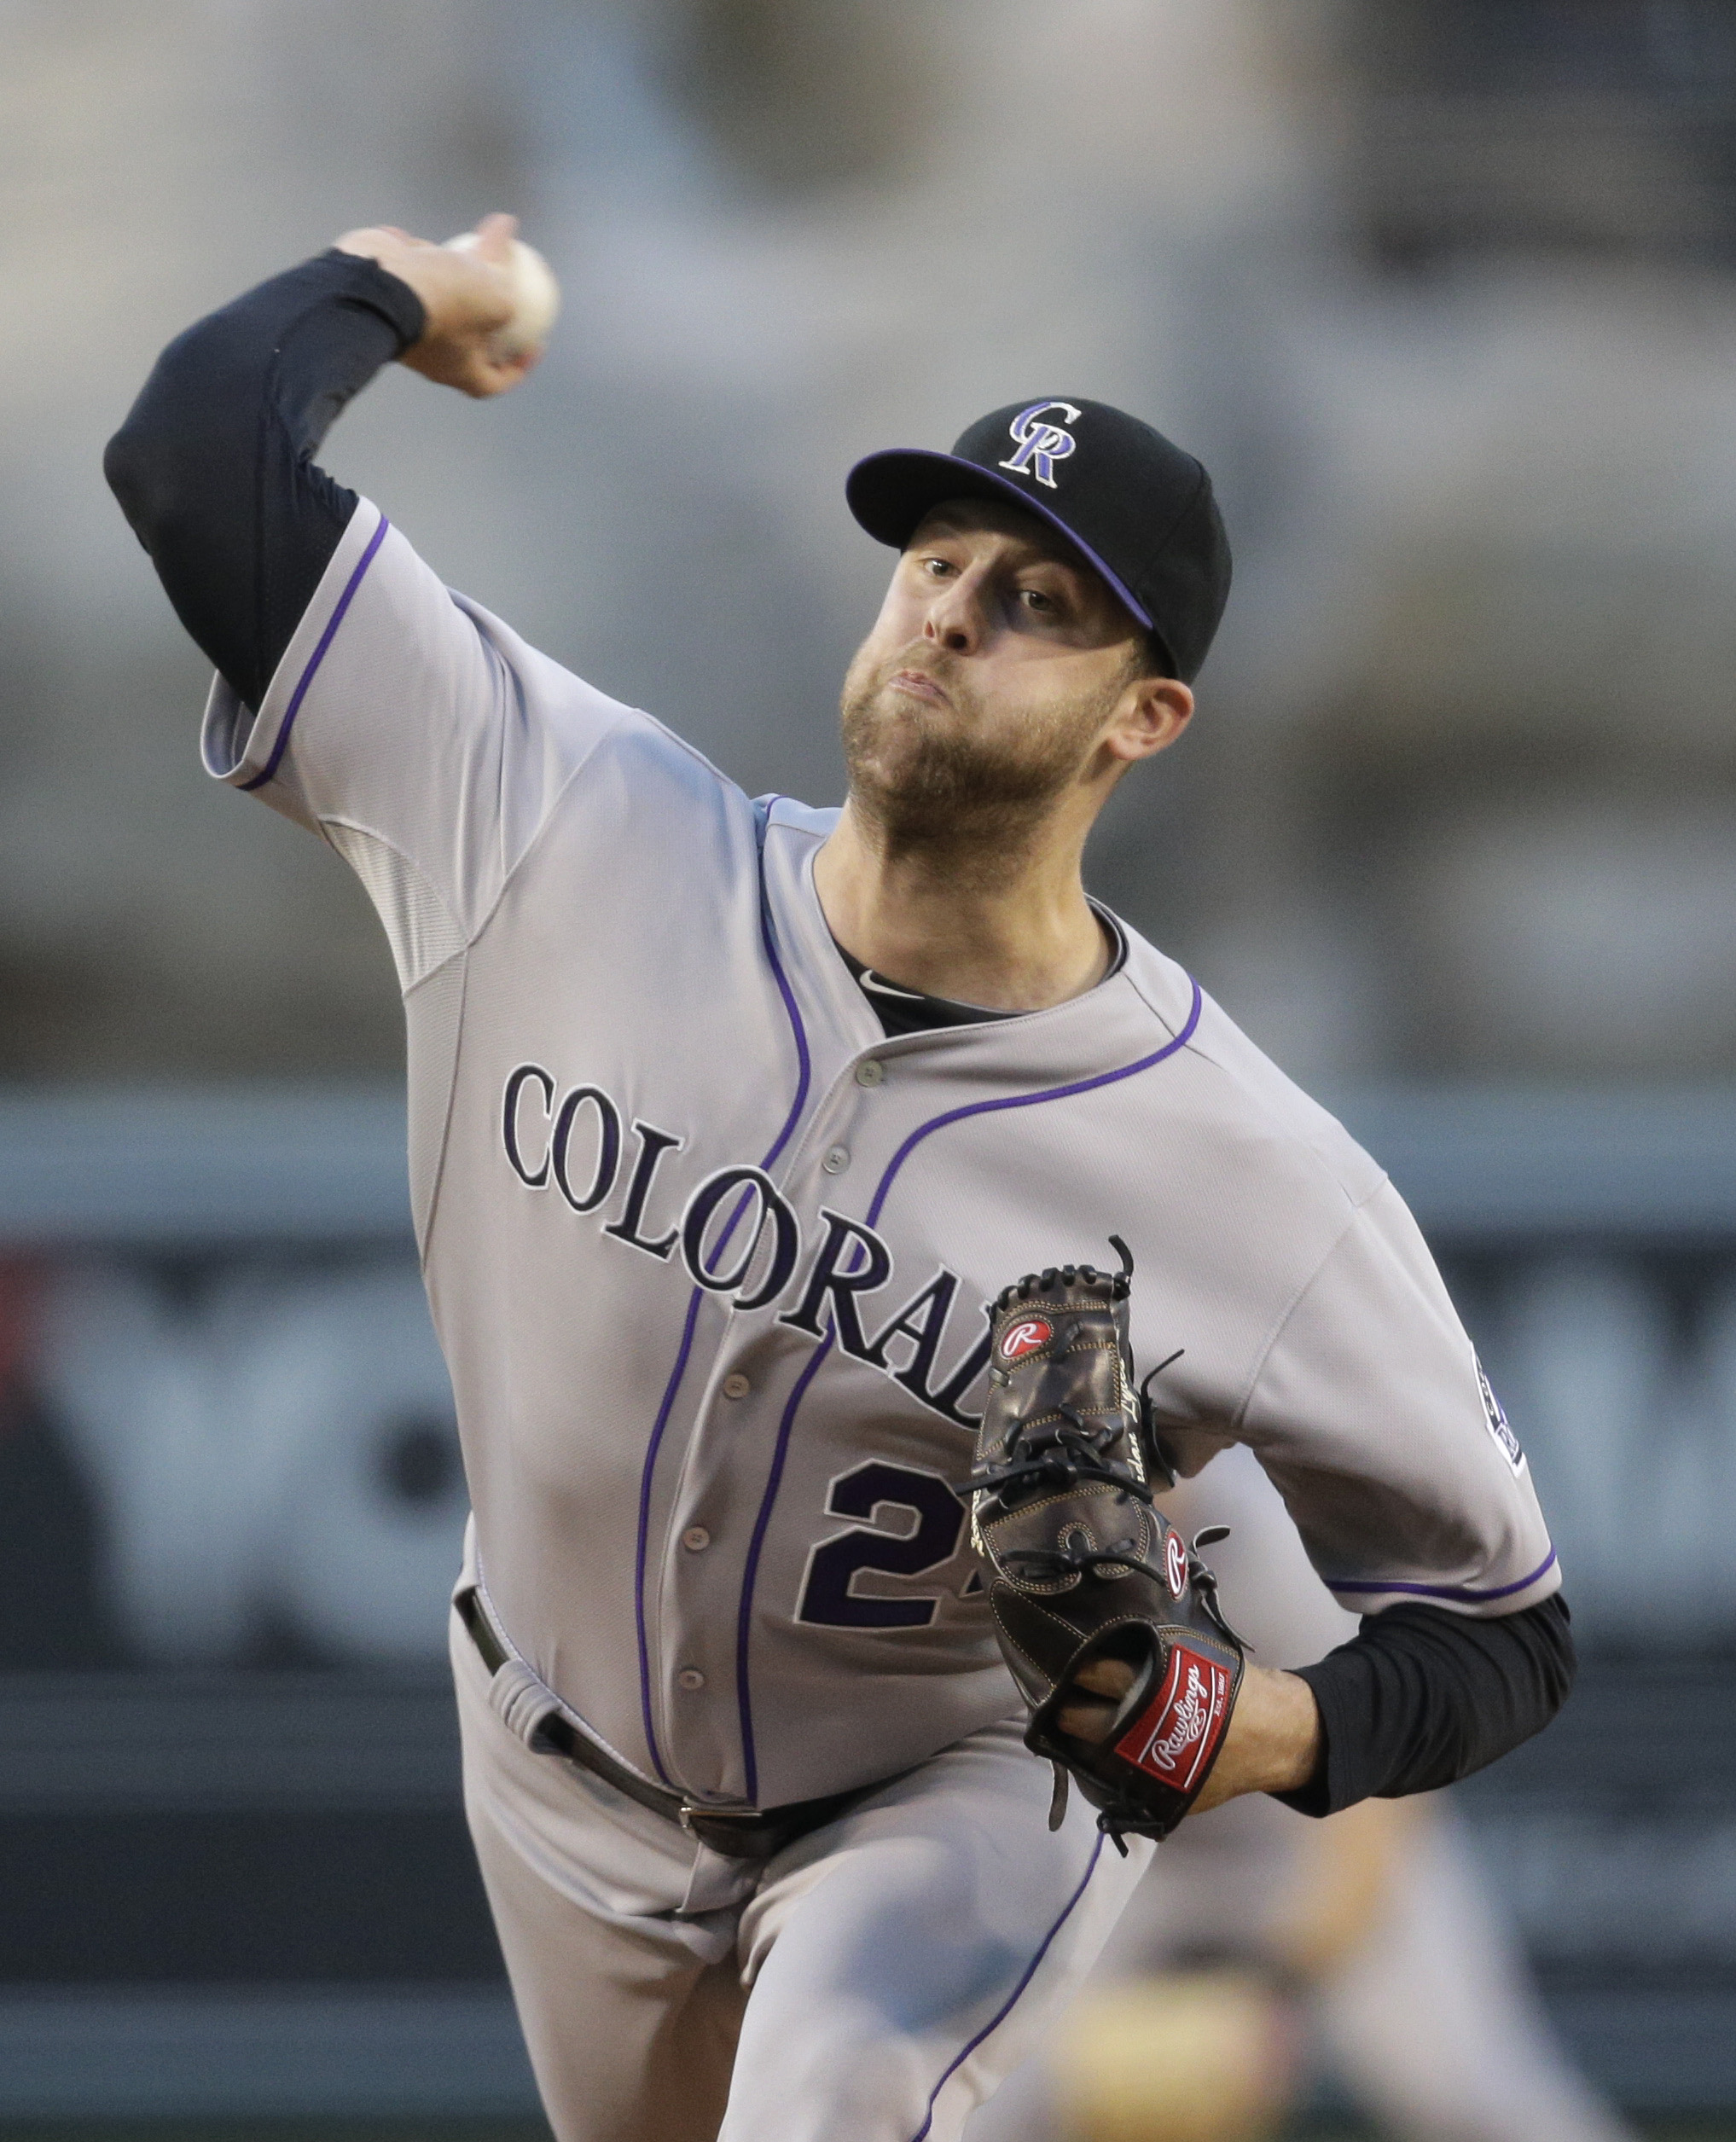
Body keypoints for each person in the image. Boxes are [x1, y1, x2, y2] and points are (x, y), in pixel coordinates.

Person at [104, 215, 1573, 2142]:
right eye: (937, 559)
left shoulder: (1257, 1177)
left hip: (949, 1804)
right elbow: (194, 457)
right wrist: (405, 289)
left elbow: (1498, 1630)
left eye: (1042, 599)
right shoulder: (559, 820)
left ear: (1144, 717)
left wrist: (1248, 1726)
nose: (953, 610)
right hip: (547, 1760)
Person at [967, 1447, 1632, 2142]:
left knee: (1472, 2092)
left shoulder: (1266, 1537)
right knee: (993, 2097)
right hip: (1128, 1858)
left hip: (1315, 1834)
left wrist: (1274, 1982)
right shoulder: (1011, 1557)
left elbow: (1383, 1782)